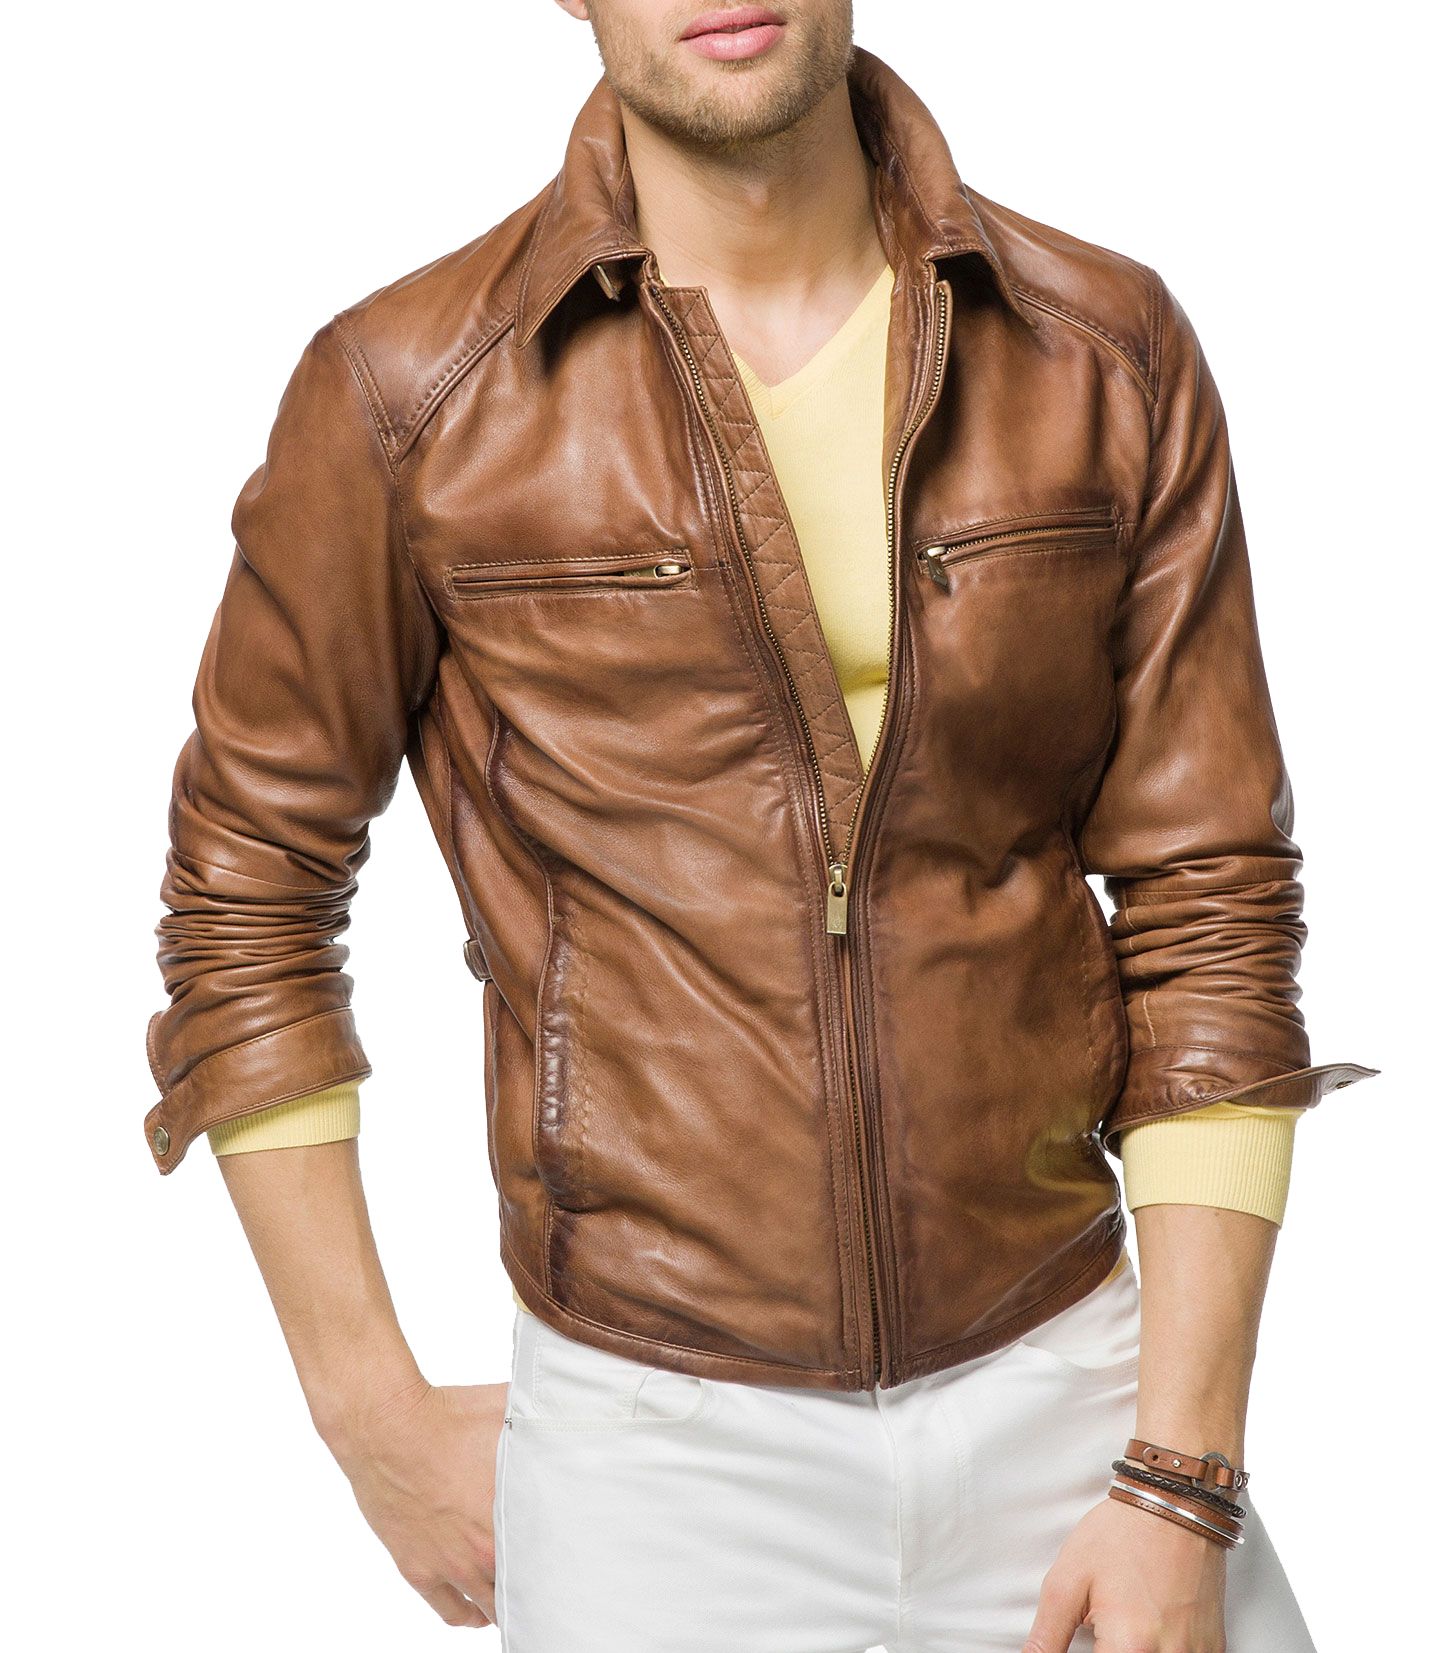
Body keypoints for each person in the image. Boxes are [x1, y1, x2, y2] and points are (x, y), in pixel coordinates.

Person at [143, 4, 1378, 1648]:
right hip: (658, 1452)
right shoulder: (408, 393)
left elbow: (1206, 892)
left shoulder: (1100, 347)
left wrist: (1179, 1468)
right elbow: (247, 893)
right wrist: (367, 1411)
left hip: (1073, 1381)